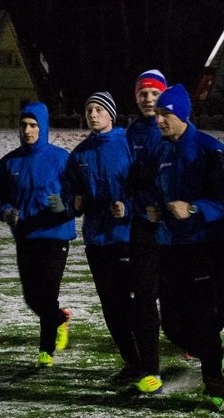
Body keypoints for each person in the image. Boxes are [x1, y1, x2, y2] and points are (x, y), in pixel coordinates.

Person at [149, 84, 224, 412]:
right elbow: (156, 190)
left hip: (202, 246)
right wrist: (153, 207)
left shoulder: (209, 149)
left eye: (165, 114)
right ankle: (211, 350)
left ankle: (214, 384)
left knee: (203, 320)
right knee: (171, 323)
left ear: (182, 114)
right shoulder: (162, 152)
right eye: (158, 114)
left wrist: (195, 208)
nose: (160, 120)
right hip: (170, 245)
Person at [62, 91, 144, 385]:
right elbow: (66, 194)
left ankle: (148, 358)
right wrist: (75, 204)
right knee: (110, 304)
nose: (93, 115)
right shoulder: (80, 154)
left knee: (134, 302)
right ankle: (132, 362)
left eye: (98, 109)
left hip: (126, 236)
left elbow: (144, 185)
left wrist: (128, 206)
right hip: (96, 240)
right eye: (88, 111)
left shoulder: (128, 144)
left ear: (111, 113)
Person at [0, 102, 76, 368]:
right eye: (24, 125)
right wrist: (6, 212)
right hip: (25, 236)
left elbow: (76, 195)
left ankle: (45, 351)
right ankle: (60, 319)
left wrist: (62, 206)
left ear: (43, 126)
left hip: (55, 234)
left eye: (34, 125)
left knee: (47, 294)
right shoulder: (9, 163)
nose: (28, 130)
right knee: (31, 297)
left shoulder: (61, 159)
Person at [125, 69, 168, 393]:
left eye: (154, 93)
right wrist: (138, 205)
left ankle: (203, 347)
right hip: (142, 226)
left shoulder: (173, 128)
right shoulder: (130, 133)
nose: (148, 99)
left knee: (177, 298)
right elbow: (126, 179)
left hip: (173, 226)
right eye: (143, 94)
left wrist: (164, 207)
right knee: (142, 299)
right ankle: (149, 367)